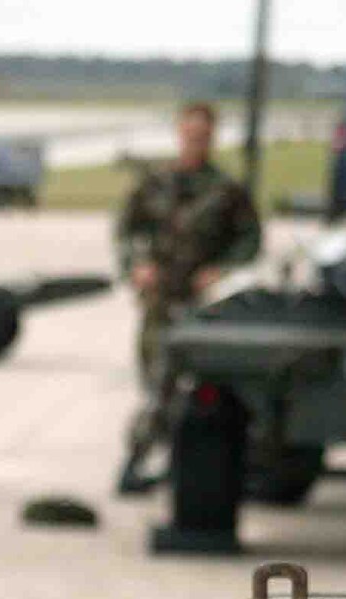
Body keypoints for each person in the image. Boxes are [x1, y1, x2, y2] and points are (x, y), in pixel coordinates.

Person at [112, 101, 262, 491]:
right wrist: (137, 264)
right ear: (180, 134)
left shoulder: (226, 191)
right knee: (156, 380)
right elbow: (126, 231)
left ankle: (154, 460)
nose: (196, 142)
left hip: (206, 305)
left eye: (204, 136)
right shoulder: (155, 184)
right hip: (161, 299)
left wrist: (222, 269)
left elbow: (251, 240)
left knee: (197, 388)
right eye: (190, 135)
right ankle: (153, 457)